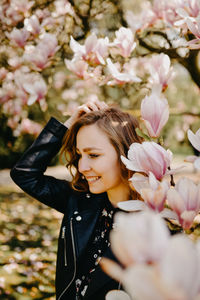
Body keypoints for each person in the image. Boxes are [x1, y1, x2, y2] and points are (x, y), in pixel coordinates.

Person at [10, 99, 143, 300]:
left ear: (125, 153)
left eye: (94, 155)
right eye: (80, 154)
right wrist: (67, 125)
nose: (82, 167)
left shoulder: (154, 221)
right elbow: (24, 174)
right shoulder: (79, 200)